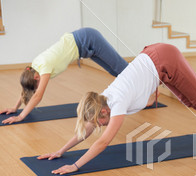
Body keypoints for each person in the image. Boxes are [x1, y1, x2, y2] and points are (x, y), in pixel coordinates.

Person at [38, 43, 196, 174]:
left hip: (165, 59)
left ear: (103, 112)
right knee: (188, 100)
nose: (97, 126)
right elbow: (87, 129)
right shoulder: (101, 100)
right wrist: (60, 151)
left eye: (97, 122)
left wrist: (75, 166)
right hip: (155, 57)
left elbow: (102, 142)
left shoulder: (116, 103)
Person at [1, 27, 129, 124]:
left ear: (36, 78)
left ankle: (149, 94)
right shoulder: (33, 69)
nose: (36, 89)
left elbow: (38, 95)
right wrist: (14, 107)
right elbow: (26, 88)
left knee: (122, 68)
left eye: (36, 86)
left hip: (88, 39)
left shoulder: (44, 66)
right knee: (115, 72)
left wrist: (20, 116)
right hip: (84, 48)